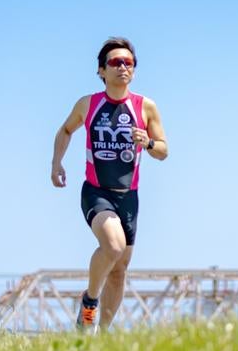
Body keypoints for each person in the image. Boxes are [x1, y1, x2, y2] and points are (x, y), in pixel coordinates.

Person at [50, 37, 168, 331]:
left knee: (119, 271)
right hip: (96, 192)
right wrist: (56, 163)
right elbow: (65, 130)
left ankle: (103, 335)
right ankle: (90, 301)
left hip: (129, 197)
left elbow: (163, 151)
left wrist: (149, 142)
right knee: (113, 246)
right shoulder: (88, 104)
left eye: (128, 63)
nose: (123, 68)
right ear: (102, 70)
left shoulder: (146, 107)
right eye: (116, 62)